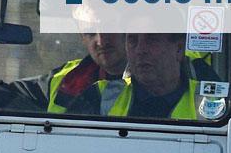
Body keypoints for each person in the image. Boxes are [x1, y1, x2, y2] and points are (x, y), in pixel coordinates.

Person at [67, 32, 208, 120]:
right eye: (133, 40)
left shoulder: (208, 101)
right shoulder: (99, 96)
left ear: (178, 49)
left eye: (152, 39)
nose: (140, 50)